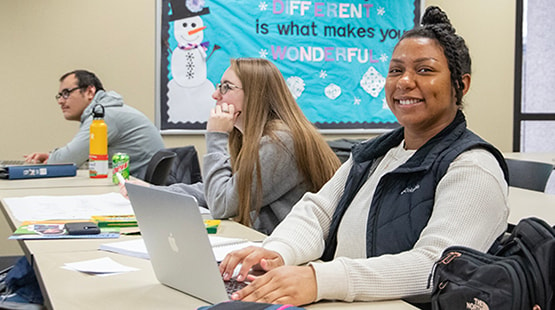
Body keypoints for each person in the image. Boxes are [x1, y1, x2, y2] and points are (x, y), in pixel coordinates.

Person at [218, 6, 510, 307]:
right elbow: (318, 213)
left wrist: (320, 280)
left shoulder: (473, 167)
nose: (404, 82)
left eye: (424, 70)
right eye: (396, 70)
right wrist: (277, 253)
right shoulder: (377, 152)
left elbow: (435, 266)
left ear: (461, 85)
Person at [122, 58, 341, 235]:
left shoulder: (280, 141)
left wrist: (216, 137)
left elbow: (221, 203)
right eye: (219, 86)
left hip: (290, 260)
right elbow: (222, 190)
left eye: (226, 88)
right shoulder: (254, 136)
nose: (215, 95)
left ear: (256, 94)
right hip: (263, 244)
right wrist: (155, 192)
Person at [24, 69, 165, 180]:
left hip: (135, 192)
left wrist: (53, 159)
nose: (61, 101)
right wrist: (51, 156)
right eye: (59, 96)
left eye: (66, 93)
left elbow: (67, 161)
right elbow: (77, 155)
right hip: (135, 187)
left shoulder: (105, 116)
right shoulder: (108, 111)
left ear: (90, 92)